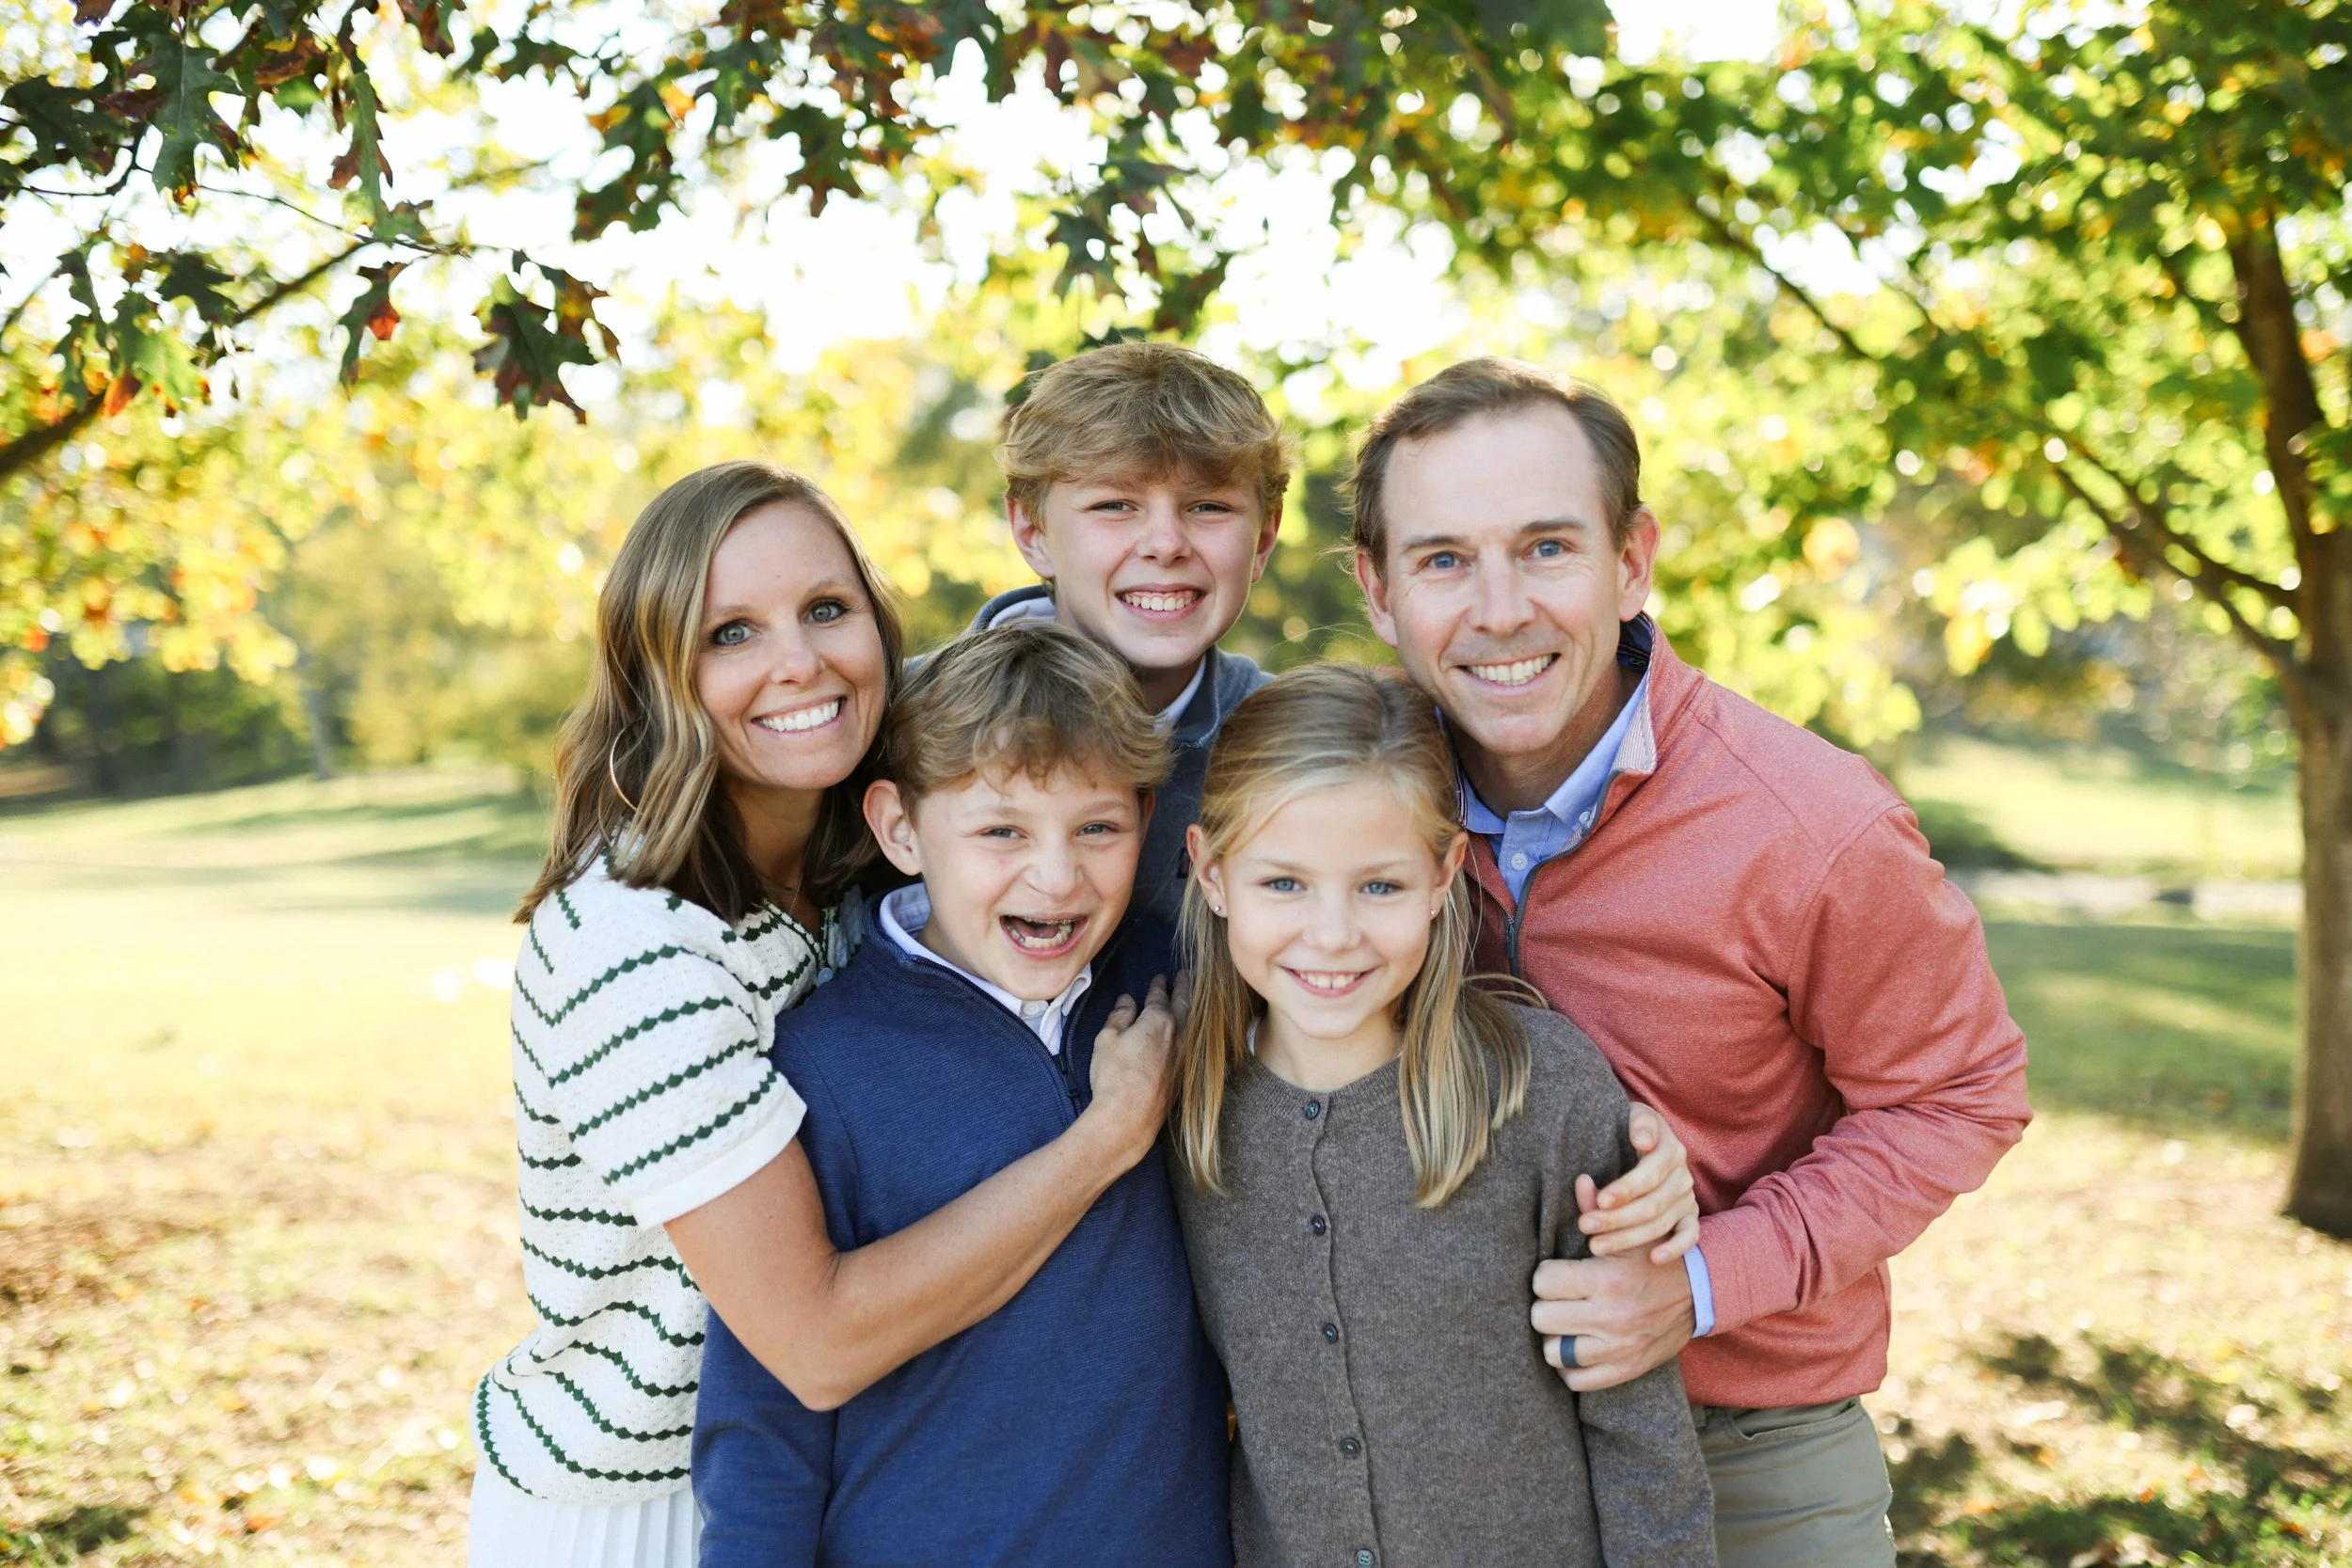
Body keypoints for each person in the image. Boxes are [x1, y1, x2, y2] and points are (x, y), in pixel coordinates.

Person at [1350, 356, 2034, 1568]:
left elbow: (1957, 1094)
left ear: (1632, 560)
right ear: (1378, 587)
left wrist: (1705, 1277)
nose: (1499, 607)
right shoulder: (1353, 809)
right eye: (1444, 558)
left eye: (1547, 547)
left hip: (1746, 1454)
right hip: (1445, 1449)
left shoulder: (1810, 827)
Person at [469, 464, 1180, 1568]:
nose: (797, 661)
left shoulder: (847, 874)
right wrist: (1106, 1138)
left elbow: (1017, 725)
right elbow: (815, 1341)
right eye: (731, 633)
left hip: (843, 1474)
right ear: (661, 674)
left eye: (826, 609)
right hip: (648, 1505)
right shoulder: (633, 945)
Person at [979, 338, 1698, 1261]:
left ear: (1265, 534)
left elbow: (1398, 969)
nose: (1164, 540)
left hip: (1209, 1245)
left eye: (1206, 506)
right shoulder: (923, 734)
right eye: (1115, 505)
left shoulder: (1292, 753)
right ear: (1031, 527)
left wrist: (1605, 1141)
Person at [691, 620, 1231, 1568]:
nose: (1057, 874)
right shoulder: (825, 1059)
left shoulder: (1177, 989)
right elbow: (763, 1424)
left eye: (1097, 826)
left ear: (1146, 820)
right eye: (1000, 830)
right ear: (900, 827)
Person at [1169, 663, 1716, 1568]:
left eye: (1379, 886)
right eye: (1283, 884)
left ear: (1442, 874)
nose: (1333, 934)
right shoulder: (1180, 1097)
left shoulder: (1540, 1090)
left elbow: (1640, 1433)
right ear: (1212, 873)